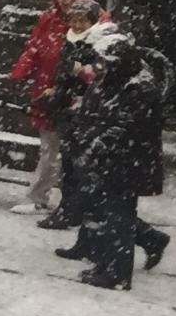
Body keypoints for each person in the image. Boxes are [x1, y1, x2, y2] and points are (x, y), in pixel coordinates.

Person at [53, 20, 169, 290]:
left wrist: (96, 144)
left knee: (118, 214)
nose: (99, 67)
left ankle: (117, 272)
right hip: (112, 158)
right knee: (103, 208)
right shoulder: (119, 79)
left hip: (126, 161)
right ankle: (105, 259)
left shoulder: (139, 86)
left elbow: (126, 125)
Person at [8, 0, 99, 222]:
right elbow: (35, 45)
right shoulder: (51, 18)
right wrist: (22, 71)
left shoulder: (92, 21)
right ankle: (53, 200)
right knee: (51, 146)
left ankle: (47, 199)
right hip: (51, 88)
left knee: (59, 150)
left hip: (71, 92)